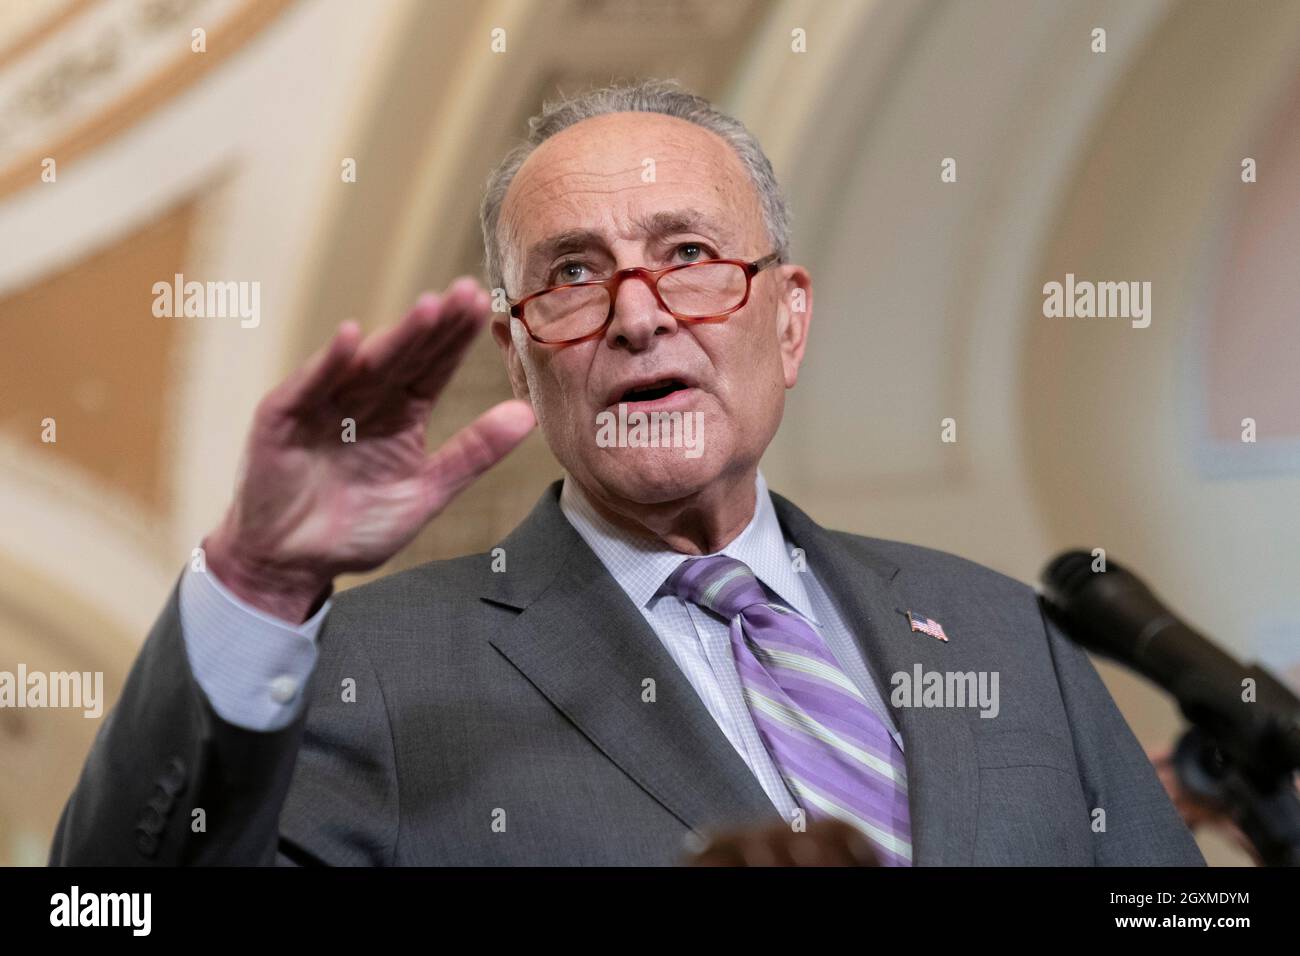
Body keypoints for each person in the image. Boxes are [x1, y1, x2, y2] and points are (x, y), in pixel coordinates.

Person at [50, 79, 1204, 866]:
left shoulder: (1002, 632)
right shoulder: (376, 675)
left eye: (689, 255)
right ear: (516, 354)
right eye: (570, 274)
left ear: (787, 322)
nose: (639, 316)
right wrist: (256, 577)